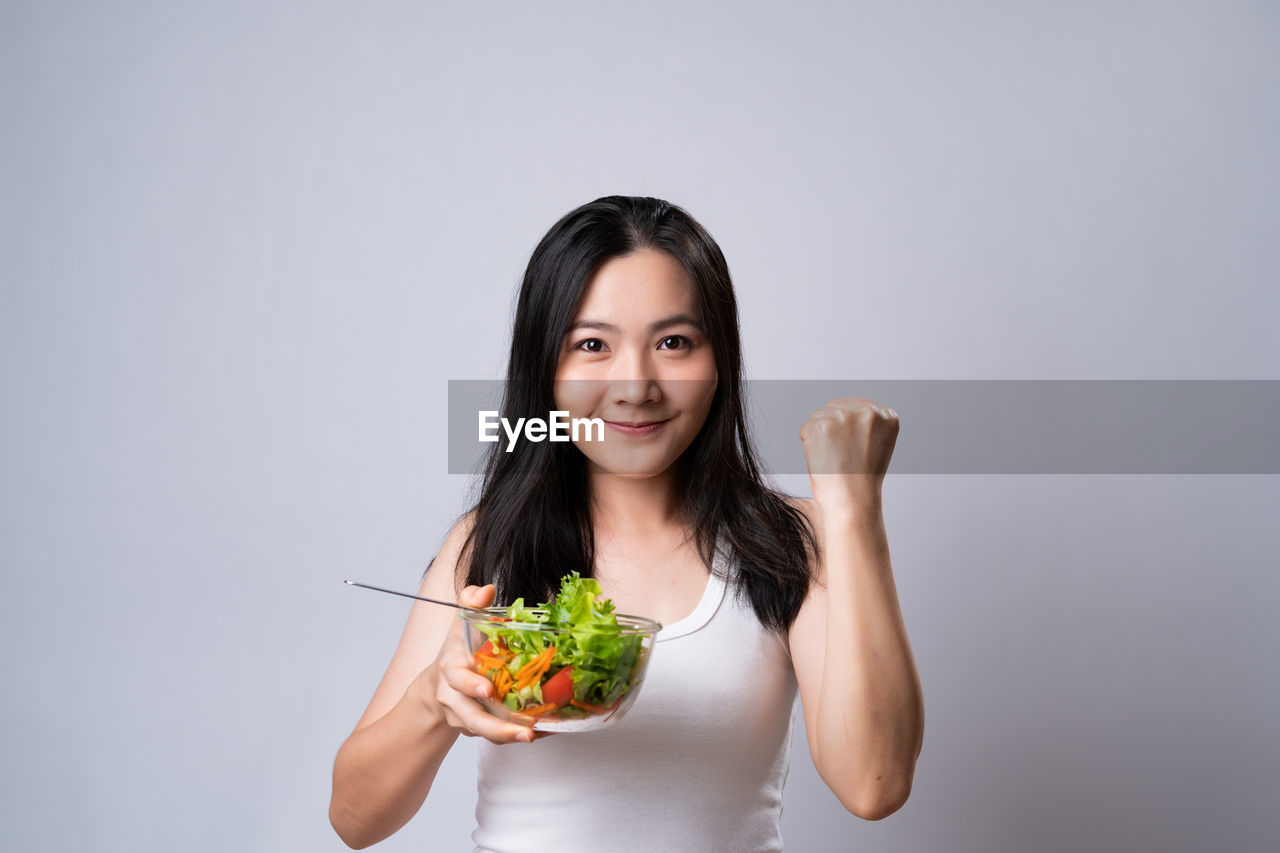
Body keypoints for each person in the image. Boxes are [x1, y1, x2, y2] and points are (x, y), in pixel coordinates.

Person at [329, 196, 925, 851]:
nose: (636, 384)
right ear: (544, 370)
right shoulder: (489, 543)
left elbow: (873, 783)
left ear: (719, 358)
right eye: (592, 344)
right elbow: (355, 818)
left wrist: (852, 508)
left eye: (674, 342)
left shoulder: (787, 543)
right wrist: (432, 700)